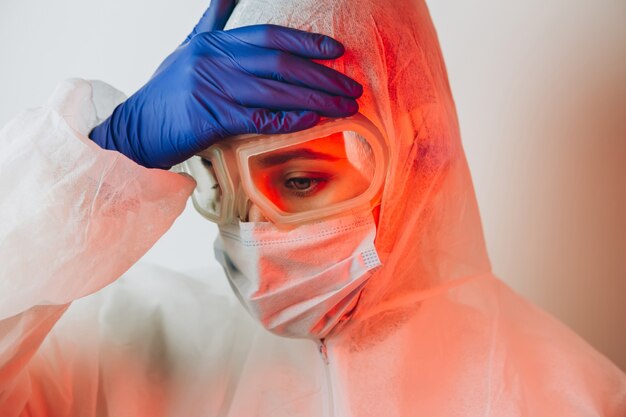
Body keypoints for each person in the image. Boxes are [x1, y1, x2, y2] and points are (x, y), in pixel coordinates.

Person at [0, 1, 624, 416]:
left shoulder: (567, 396)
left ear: (419, 153)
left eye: (298, 181)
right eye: (221, 184)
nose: (253, 233)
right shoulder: (124, 350)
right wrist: (93, 166)